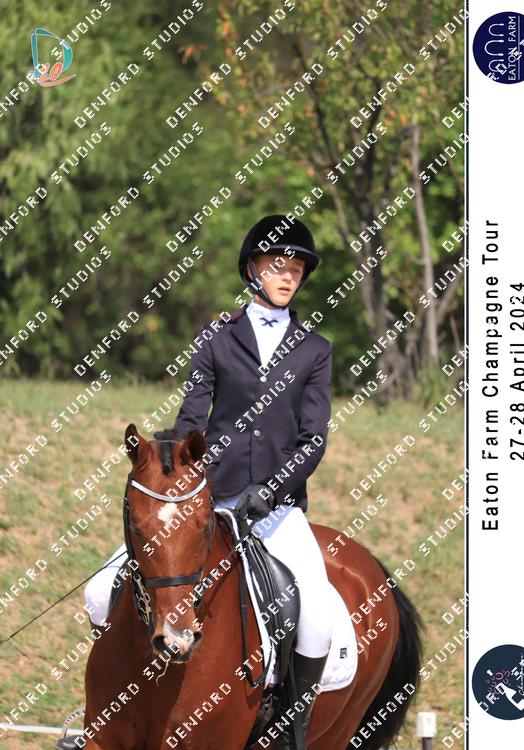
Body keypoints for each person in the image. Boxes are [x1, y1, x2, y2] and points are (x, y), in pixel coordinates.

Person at [82, 214, 333, 749]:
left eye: (296, 270)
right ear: (252, 269)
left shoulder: (315, 350)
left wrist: (273, 490)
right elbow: (192, 419)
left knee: (315, 615)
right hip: (209, 501)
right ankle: (118, 701)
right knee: (101, 589)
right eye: (277, 265)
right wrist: (176, 473)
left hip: (277, 511)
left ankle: (290, 732)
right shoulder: (217, 338)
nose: (287, 276)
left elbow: (313, 438)